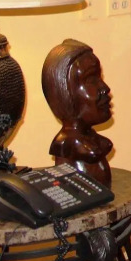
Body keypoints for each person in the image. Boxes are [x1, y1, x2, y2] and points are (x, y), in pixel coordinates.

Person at [41, 39, 114, 185]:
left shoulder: (91, 139)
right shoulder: (67, 143)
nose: (104, 88)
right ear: (65, 93)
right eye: (91, 79)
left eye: (99, 78)